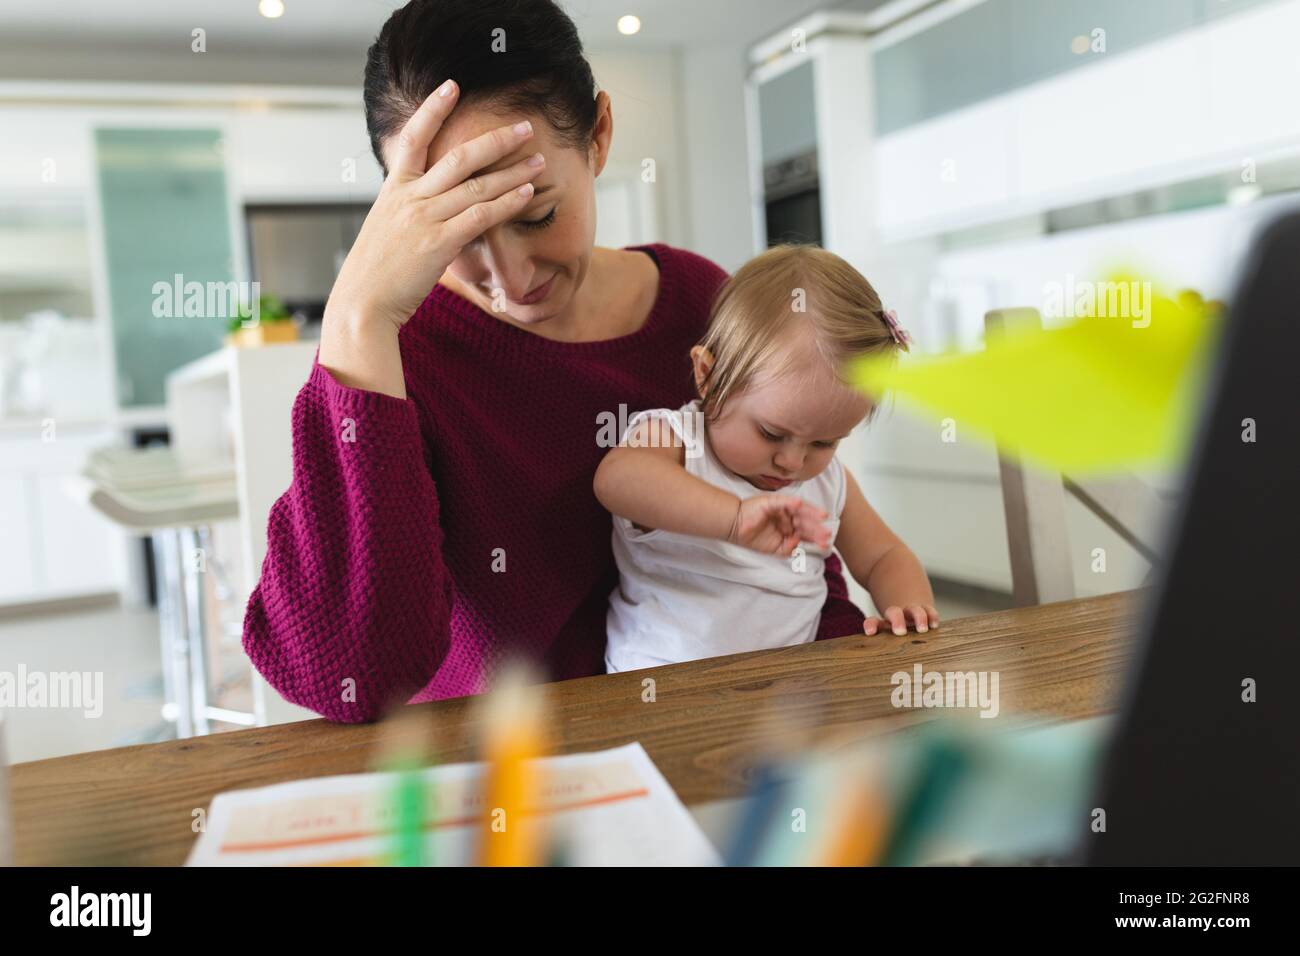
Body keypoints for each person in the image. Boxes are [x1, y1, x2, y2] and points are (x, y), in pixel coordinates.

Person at [242, 0, 867, 722]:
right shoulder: (396, 356)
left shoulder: (701, 302)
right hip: (513, 782)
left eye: (535, 214)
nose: (511, 281)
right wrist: (355, 315)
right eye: (454, 232)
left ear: (599, 135)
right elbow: (351, 677)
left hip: (717, 732)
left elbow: (796, 544)